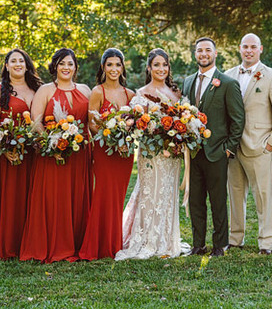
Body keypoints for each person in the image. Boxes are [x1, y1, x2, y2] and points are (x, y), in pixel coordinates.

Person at [115, 48, 188, 260]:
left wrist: (178, 136)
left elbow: (181, 122)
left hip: (172, 155)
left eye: (164, 65)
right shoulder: (140, 93)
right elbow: (138, 126)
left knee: (167, 193)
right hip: (151, 153)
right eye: (156, 65)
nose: (161, 69)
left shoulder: (176, 94)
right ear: (149, 68)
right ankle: (147, 239)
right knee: (151, 193)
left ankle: (166, 238)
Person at [20, 48, 92, 263]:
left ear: (75, 67)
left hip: (79, 155)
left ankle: (77, 243)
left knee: (76, 198)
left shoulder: (85, 90)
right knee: (53, 199)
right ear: (55, 67)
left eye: (70, 64)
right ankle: (52, 244)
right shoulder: (45, 90)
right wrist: (54, 143)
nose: (66, 68)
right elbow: (36, 122)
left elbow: (90, 123)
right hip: (51, 156)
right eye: (62, 64)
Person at [225, 33, 272, 255]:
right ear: (240, 48)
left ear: (260, 49)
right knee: (235, 194)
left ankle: (266, 241)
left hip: (259, 146)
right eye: (245, 46)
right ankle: (235, 238)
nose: (249, 51)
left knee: (263, 195)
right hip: (233, 147)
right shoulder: (228, 75)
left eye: (253, 47)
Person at [0, 48, 42, 259]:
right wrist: (5, 147)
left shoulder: (38, 88)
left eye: (21, 60)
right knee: (10, 197)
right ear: (6, 65)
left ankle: (29, 242)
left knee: (30, 196)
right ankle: (8, 243)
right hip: (7, 154)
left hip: (33, 152)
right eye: (12, 61)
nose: (17, 64)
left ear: (27, 64)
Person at [182, 38, 245, 257]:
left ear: (215, 53)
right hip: (193, 152)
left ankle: (221, 244)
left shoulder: (227, 83)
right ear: (195, 54)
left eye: (208, 50)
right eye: (199, 50)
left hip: (217, 152)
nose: (203, 54)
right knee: (196, 202)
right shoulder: (188, 81)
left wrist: (228, 148)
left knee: (218, 201)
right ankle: (198, 244)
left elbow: (238, 119)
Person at [78, 48, 135, 260]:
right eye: (109, 65)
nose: (114, 69)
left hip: (124, 154)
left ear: (122, 68)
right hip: (104, 151)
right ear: (103, 67)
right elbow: (91, 123)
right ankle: (97, 246)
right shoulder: (97, 92)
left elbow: (135, 124)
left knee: (118, 197)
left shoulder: (130, 94)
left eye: (117, 65)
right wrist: (110, 135)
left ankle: (114, 243)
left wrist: (125, 138)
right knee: (103, 194)